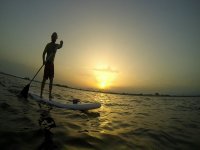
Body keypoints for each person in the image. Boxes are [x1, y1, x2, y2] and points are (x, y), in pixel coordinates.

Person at [40, 32, 63, 99]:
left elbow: (60, 46)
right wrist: (43, 61)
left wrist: (62, 43)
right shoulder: (48, 45)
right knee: (44, 79)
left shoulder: (56, 46)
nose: (54, 38)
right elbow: (44, 53)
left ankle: (49, 95)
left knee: (51, 80)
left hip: (52, 64)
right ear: (51, 37)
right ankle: (41, 94)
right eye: (53, 36)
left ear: (56, 38)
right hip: (47, 63)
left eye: (55, 37)